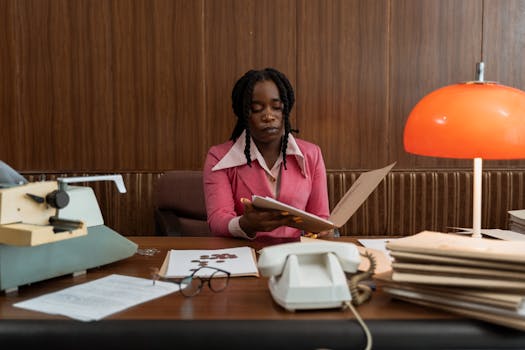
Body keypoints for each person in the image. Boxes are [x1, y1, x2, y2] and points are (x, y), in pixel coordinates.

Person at [203, 67, 331, 240]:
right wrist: (245, 224)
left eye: (276, 107)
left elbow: (321, 217)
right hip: (243, 254)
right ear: (244, 114)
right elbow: (217, 219)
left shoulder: (311, 154)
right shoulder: (218, 157)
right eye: (257, 109)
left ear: (285, 109)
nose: (269, 116)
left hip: (296, 255)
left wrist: (322, 230)